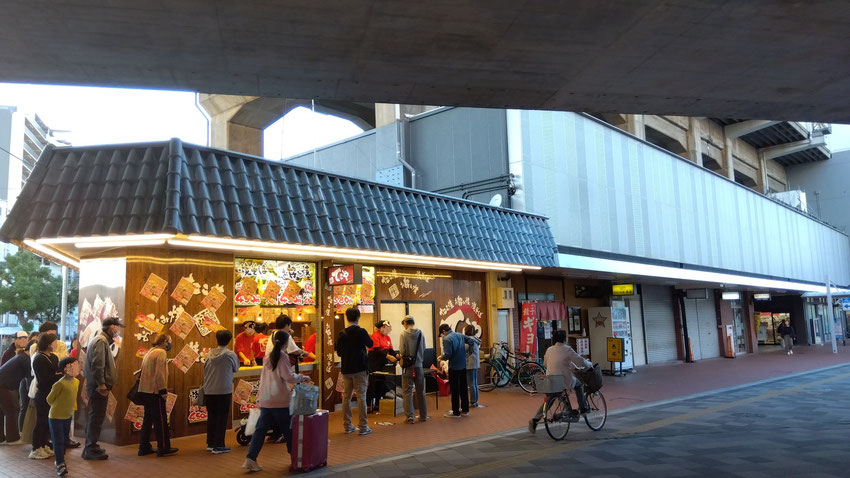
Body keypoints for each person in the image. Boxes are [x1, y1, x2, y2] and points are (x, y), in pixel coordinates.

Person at [242, 330, 311, 472]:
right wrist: (303, 378)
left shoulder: (268, 357)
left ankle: (250, 459)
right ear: (286, 343)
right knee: (288, 430)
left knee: (260, 431)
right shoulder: (282, 356)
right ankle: (296, 459)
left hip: (266, 399)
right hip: (279, 400)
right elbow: (288, 376)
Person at [528, 329, 592, 433]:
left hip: (550, 379)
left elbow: (545, 363)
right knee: (579, 385)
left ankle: (535, 419)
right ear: (564, 339)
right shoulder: (567, 349)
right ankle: (583, 408)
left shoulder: (549, 349)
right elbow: (579, 360)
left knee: (550, 399)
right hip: (563, 379)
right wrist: (589, 364)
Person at [82, 316, 122, 460]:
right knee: (96, 417)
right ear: (111, 327)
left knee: (96, 416)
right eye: (117, 328)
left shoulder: (101, 340)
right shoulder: (101, 341)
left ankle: (90, 445)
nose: (118, 331)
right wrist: (102, 384)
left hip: (97, 385)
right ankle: (90, 448)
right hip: (98, 386)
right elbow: (97, 364)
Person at [137, 333, 178, 457]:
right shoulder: (161, 353)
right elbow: (160, 374)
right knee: (161, 420)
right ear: (165, 341)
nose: (170, 344)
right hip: (155, 391)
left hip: (145, 390)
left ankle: (143, 447)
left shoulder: (150, 351)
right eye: (169, 341)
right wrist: (163, 391)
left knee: (148, 419)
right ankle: (163, 447)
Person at [334, 307, 373, 435]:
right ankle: (363, 426)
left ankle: (347, 425)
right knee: (361, 396)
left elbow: (338, 352)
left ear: (346, 317)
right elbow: (370, 344)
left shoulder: (341, 333)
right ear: (358, 318)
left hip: (346, 368)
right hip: (360, 368)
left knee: (346, 397)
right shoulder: (361, 331)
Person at [203, 329, 240, 454]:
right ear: (229, 340)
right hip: (224, 390)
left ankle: (211, 443)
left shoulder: (208, 354)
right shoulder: (230, 355)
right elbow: (236, 369)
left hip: (209, 390)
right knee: (221, 418)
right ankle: (219, 445)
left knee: (212, 417)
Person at [46, 356, 80, 476]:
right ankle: (60, 463)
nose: (76, 368)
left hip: (67, 416)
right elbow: (49, 399)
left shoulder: (76, 382)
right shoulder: (60, 384)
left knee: (65, 441)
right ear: (66, 369)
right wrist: (60, 406)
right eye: (73, 365)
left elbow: (73, 399)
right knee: (58, 441)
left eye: (77, 365)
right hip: (55, 417)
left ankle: (61, 460)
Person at [31, 333, 62, 460]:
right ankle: (36, 448)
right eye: (55, 342)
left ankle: (44, 445)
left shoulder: (54, 357)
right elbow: (43, 379)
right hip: (43, 394)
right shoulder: (38, 358)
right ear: (48, 344)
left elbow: (57, 372)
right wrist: (58, 375)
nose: (57, 344)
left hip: (52, 393)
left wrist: (58, 374)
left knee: (48, 422)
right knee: (41, 421)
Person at [439, 323, 478, 418]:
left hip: (454, 367)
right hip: (463, 365)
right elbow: (472, 341)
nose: (442, 336)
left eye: (441, 334)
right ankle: (465, 410)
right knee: (464, 388)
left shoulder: (447, 339)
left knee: (455, 390)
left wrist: (441, 358)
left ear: (444, 331)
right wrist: (469, 352)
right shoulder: (460, 335)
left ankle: (456, 412)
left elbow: (448, 354)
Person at [0, 338, 34, 446]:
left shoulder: (21, 356)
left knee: (3, 412)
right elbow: (30, 378)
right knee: (12, 410)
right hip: (4, 386)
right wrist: (32, 392)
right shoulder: (25, 359)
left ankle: (1, 437)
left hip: (3, 384)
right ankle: (12, 438)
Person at [398, 315, 427, 424]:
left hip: (408, 367)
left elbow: (402, 350)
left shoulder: (403, 334)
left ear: (405, 323)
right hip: (419, 366)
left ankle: (410, 417)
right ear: (413, 323)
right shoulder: (421, 333)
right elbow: (424, 348)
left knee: (407, 392)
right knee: (421, 392)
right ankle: (423, 416)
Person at [367, 320, 397, 413]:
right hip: (374, 362)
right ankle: (368, 405)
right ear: (381, 328)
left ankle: (378, 404)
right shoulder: (375, 336)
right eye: (386, 327)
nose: (388, 329)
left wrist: (397, 356)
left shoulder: (387, 338)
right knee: (373, 383)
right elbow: (376, 351)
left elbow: (391, 350)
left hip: (383, 363)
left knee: (382, 383)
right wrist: (388, 356)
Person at [464, 324, 485, 409]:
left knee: (471, 383)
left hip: (470, 364)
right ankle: (475, 400)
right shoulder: (476, 339)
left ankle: (473, 401)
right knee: (475, 383)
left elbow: (464, 350)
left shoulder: (469, 340)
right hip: (475, 363)